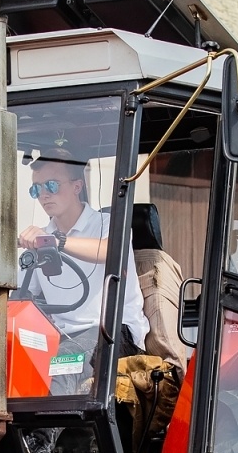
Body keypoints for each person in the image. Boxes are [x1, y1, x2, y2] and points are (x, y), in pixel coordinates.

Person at [18, 156, 149, 391]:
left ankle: (40, 430)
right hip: (61, 335)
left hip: (113, 332)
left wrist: (54, 242)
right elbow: (21, 292)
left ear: (77, 186)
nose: (44, 195)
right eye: (36, 189)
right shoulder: (43, 236)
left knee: (60, 369)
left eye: (51, 185)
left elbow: (110, 251)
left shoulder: (109, 224)